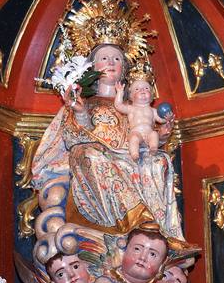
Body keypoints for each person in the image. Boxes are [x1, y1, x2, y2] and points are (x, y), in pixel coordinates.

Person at [31, 39, 182, 262]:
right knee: (90, 156)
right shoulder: (81, 101)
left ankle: (155, 229)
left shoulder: (135, 107)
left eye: (117, 59)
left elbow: (146, 137)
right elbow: (72, 137)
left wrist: (164, 134)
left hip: (130, 157)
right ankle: (128, 220)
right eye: (104, 58)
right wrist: (81, 113)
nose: (111, 62)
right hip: (95, 158)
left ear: (124, 70)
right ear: (92, 67)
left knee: (159, 161)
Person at [114, 78, 167, 161]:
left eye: (146, 88)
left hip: (149, 133)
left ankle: (153, 148)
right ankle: (134, 154)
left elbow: (162, 120)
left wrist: (167, 117)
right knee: (134, 138)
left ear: (152, 95)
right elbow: (118, 105)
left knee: (154, 134)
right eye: (137, 89)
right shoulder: (131, 109)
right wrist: (120, 92)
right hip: (136, 132)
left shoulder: (153, 110)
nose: (143, 90)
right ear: (131, 96)